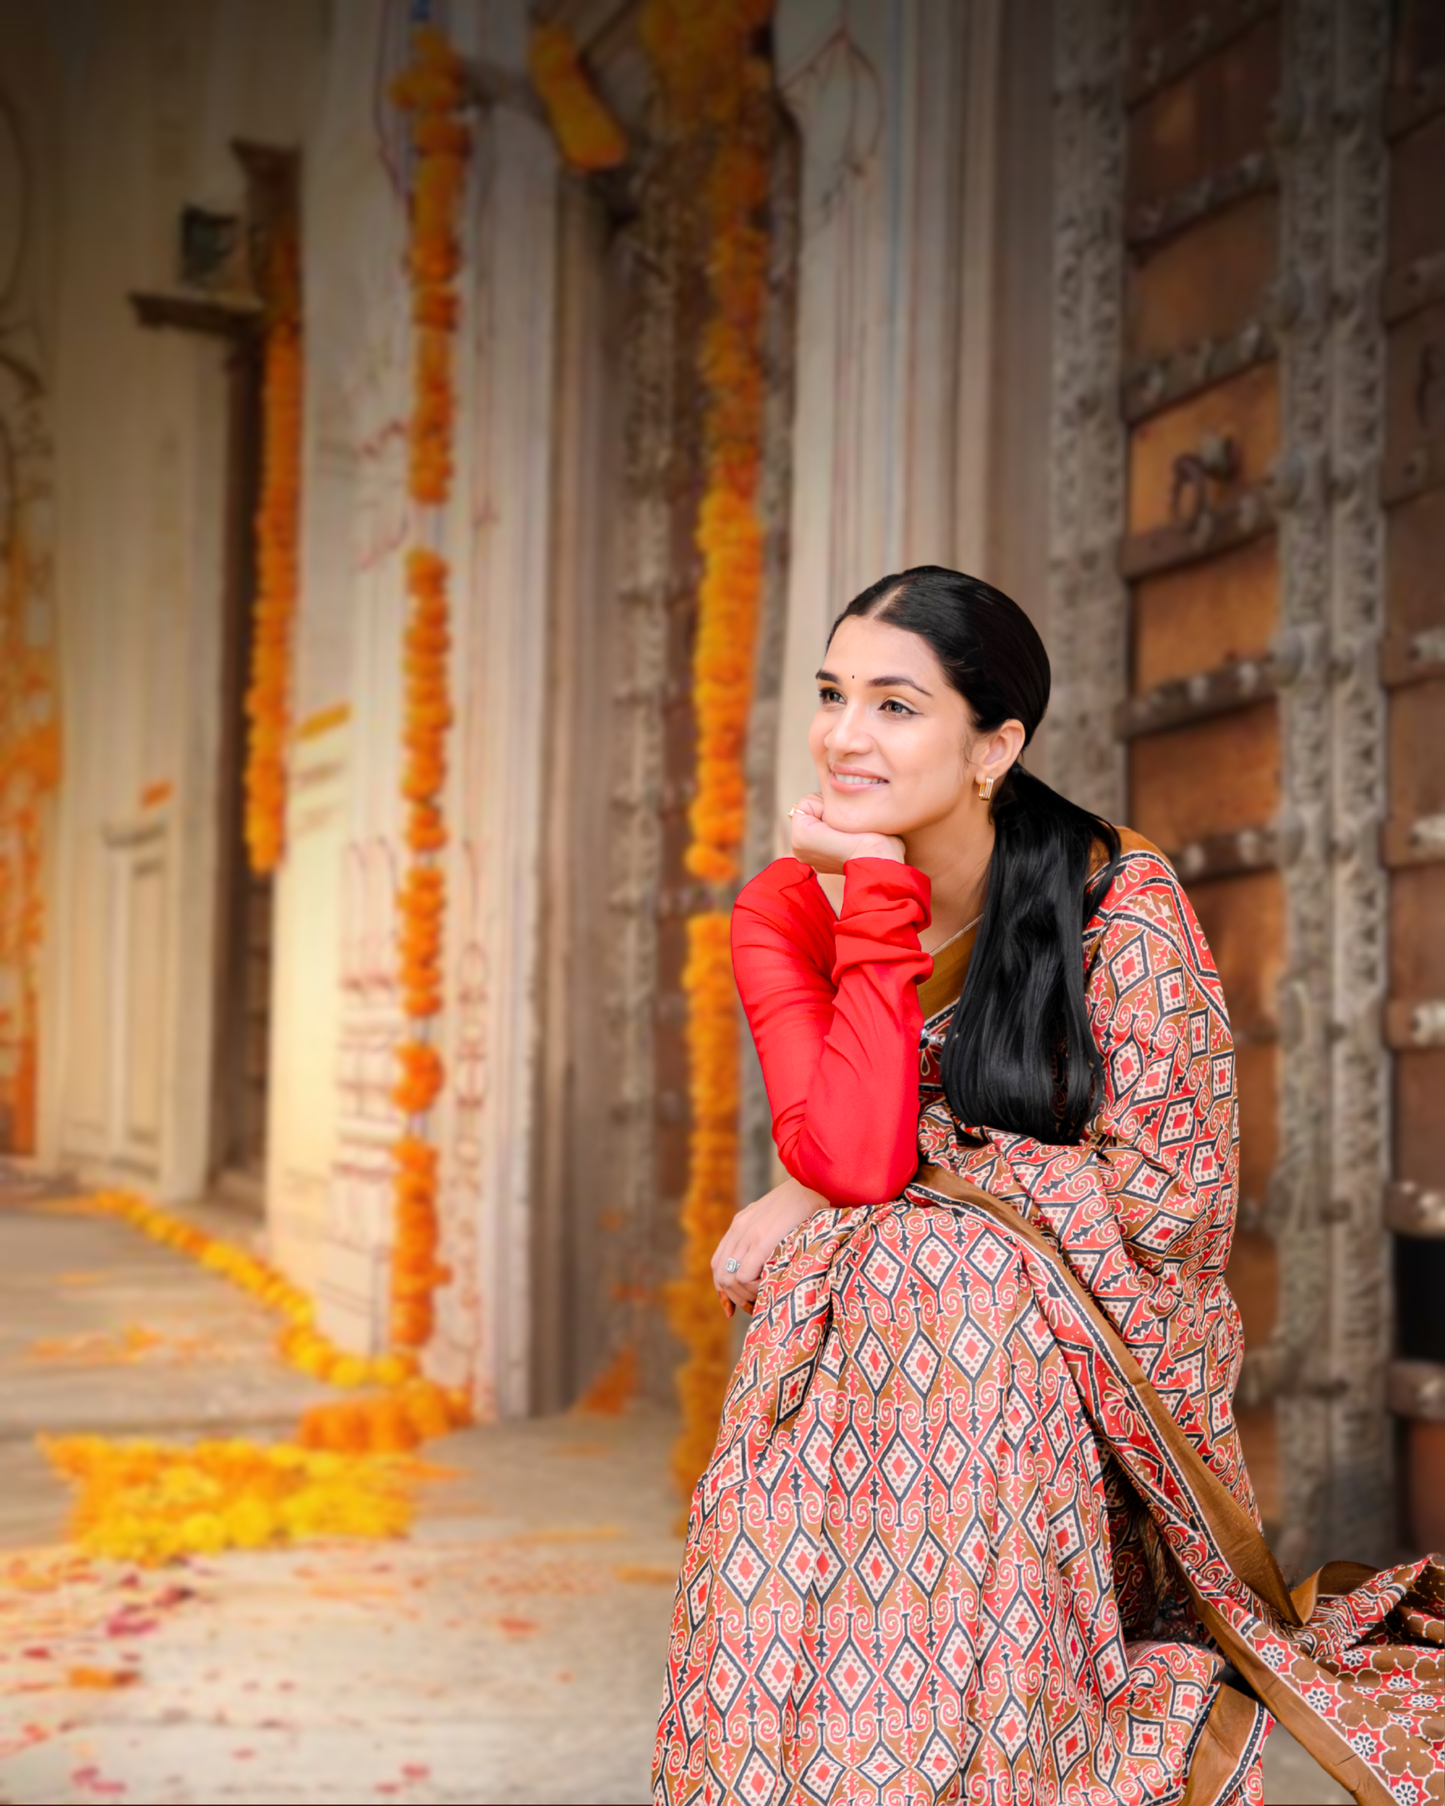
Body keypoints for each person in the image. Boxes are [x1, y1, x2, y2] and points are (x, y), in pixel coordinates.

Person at [652, 567, 1444, 1806]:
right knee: (864, 1276)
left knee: (934, 1274)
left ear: (994, 743)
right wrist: (872, 891)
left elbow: (1169, 1201)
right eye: (830, 694)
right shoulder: (783, 909)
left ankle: (995, 1753)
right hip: (892, 1351)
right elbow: (854, 1156)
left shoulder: (1114, 902)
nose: (844, 735)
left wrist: (870, 1195)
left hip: (1076, 1355)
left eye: (895, 705)